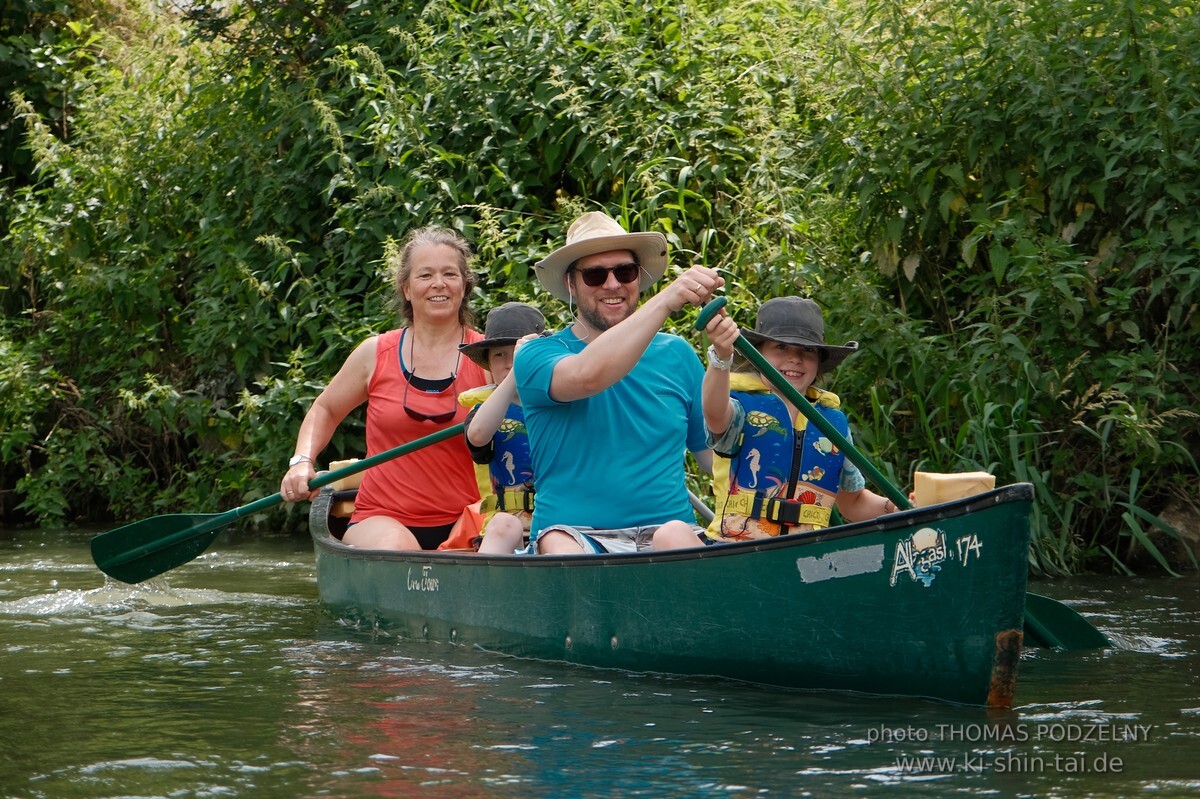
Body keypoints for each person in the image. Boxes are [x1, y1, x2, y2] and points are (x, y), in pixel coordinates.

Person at [514, 210, 721, 555]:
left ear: (638, 278)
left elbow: (715, 460)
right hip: (575, 535)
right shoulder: (537, 355)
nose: (612, 284)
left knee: (675, 536)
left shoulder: (677, 353)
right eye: (595, 275)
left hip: (668, 534)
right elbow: (587, 376)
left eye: (624, 272)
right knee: (563, 549)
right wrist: (666, 301)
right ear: (571, 284)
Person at [279, 226, 490, 550]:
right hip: (383, 518)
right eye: (425, 275)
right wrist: (302, 461)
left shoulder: (489, 357)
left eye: (450, 274)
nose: (439, 284)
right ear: (406, 288)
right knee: (399, 550)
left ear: (464, 285)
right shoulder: (373, 353)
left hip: (470, 520)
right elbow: (326, 408)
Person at [701, 296, 896, 542]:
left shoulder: (833, 423)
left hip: (804, 554)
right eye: (781, 347)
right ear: (758, 353)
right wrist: (721, 355)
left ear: (819, 362)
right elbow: (715, 414)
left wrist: (900, 508)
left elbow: (853, 502)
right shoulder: (740, 408)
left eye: (807, 350)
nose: (795, 358)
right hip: (736, 548)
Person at [452, 302, 547, 555]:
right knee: (506, 525)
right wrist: (518, 372)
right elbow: (478, 436)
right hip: (506, 529)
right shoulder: (484, 413)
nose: (508, 363)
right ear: (489, 365)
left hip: (556, 523)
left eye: (515, 354)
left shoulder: (561, 404)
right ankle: (485, 588)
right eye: (499, 355)